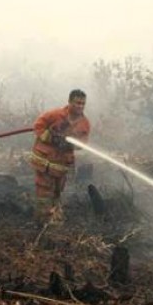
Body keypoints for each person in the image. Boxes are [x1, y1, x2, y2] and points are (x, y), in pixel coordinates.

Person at [31, 89, 90, 223]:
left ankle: (54, 216)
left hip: (61, 165)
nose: (80, 106)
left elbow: (83, 143)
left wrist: (70, 145)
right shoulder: (55, 115)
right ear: (69, 102)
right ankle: (42, 221)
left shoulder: (84, 124)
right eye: (77, 103)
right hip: (44, 161)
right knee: (44, 192)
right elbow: (38, 126)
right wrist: (51, 138)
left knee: (57, 192)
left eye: (83, 104)